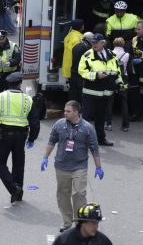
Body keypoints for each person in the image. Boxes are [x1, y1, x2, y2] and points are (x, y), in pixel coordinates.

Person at [42, 100, 103, 233]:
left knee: (79, 194)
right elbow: (51, 141)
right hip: (61, 166)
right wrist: (45, 157)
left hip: (79, 167)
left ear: (76, 112)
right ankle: (67, 222)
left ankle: (79, 222)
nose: (65, 113)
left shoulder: (87, 128)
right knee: (63, 195)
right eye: (64, 111)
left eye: (68, 111)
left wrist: (98, 167)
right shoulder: (59, 124)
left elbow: (94, 148)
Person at [0, 72, 40, 202]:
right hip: (21, 137)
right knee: (19, 165)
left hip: (4, 136)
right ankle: (18, 193)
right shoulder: (28, 99)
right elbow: (35, 122)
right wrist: (32, 138)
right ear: (20, 84)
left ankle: (13, 188)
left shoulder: (1, 97)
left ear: (8, 83)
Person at [78, 34, 124, 146]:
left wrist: (120, 83)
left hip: (105, 93)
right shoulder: (87, 55)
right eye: (92, 42)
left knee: (100, 118)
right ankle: (80, 140)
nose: (93, 44)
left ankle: (101, 139)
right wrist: (96, 75)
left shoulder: (112, 55)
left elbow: (117, 71)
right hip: (91, 92)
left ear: (102, 43)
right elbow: (81, 71)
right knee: (86, 118)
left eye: (96, 42)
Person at [0, 30, 21, 98]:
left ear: (5, 37)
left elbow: (17, 58)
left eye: (2, 40)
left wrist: (10, 63)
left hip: (11, 76)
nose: (1, 42)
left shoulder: (13, 46)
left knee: (13, 97)